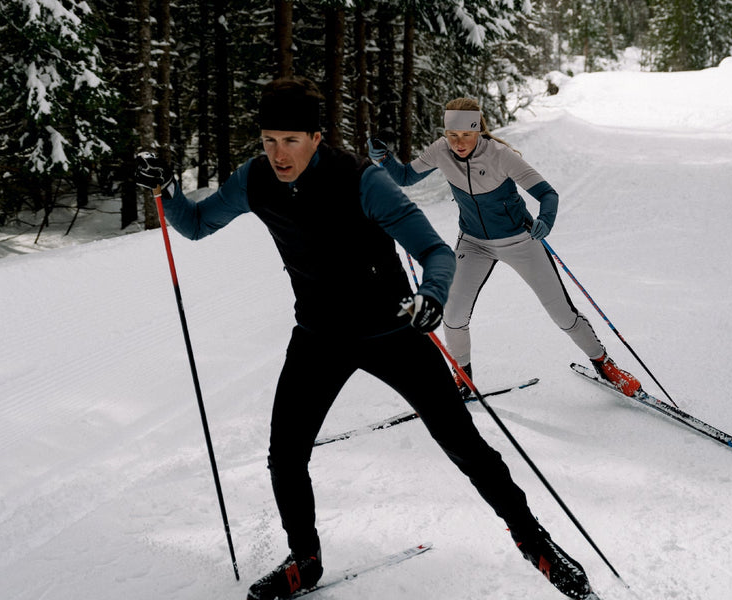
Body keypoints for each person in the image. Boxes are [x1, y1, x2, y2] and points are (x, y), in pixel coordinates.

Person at [136, 77, 595, 600]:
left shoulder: (362, 180)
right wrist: (165, 190)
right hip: (318, 335)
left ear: (317, 136)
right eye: (268, 140)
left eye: (290, 140)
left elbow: (436, 253)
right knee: (285, 453)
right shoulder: (254, 179)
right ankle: (304, 560)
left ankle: (534, 542)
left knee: (462, 441)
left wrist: (433, 297)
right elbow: (195, 225)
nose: (277, 153)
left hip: (392, 330)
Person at [368, 98, 641, 399]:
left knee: (562, 314)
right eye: (452, 135)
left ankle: (604, 363)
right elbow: (405, 177)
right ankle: (461, 378)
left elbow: (547, 193)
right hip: (473, 243)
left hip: (520, 242)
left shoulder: (499, 155)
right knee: (454, 315)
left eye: (466, 135)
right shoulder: (440, 150)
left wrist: (546, 220)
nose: (459, 143)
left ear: (478, 131)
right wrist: (384, 159)